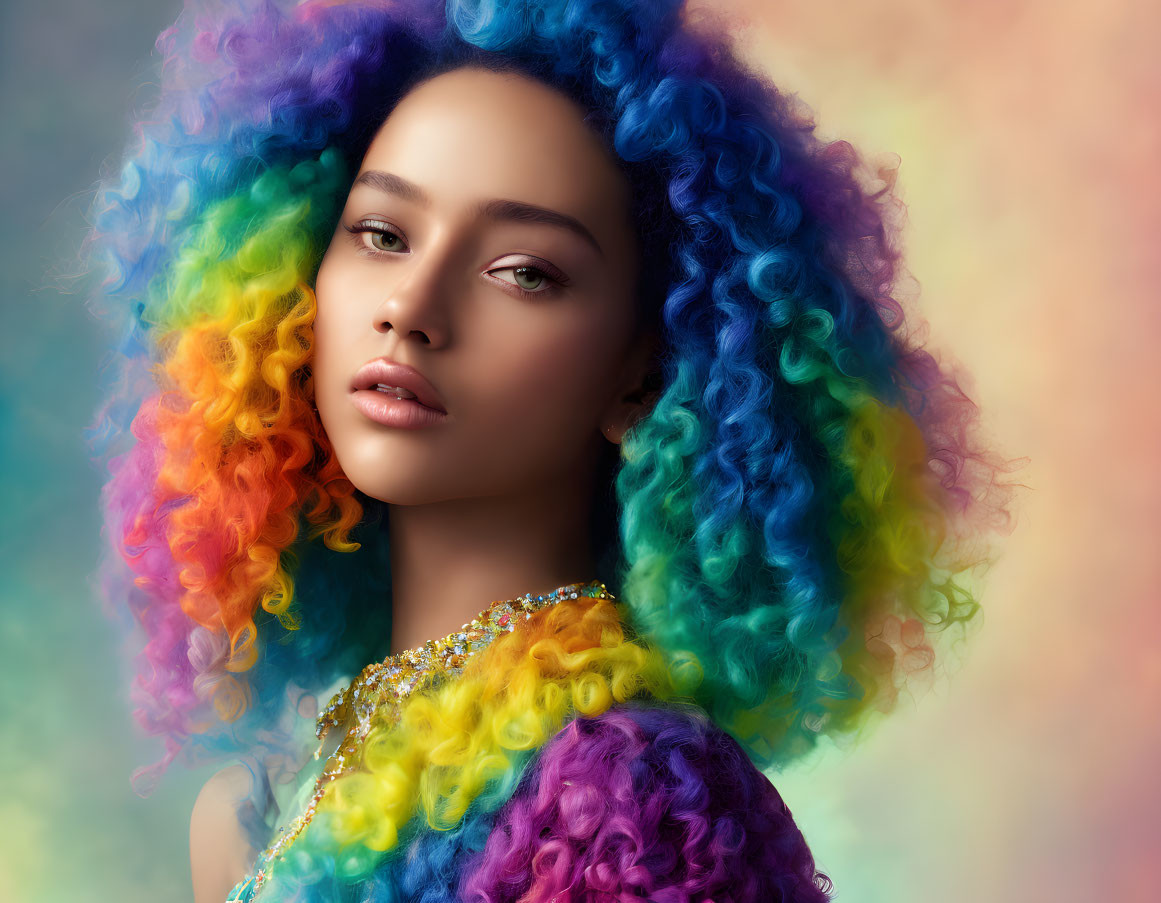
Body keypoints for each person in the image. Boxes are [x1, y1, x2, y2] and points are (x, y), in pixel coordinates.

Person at [83, 0, 1018, 900]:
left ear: (642, 374)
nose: (410, 307)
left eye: (524, 272)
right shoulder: (254, 811)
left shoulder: (632, 797)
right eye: (381, 234)